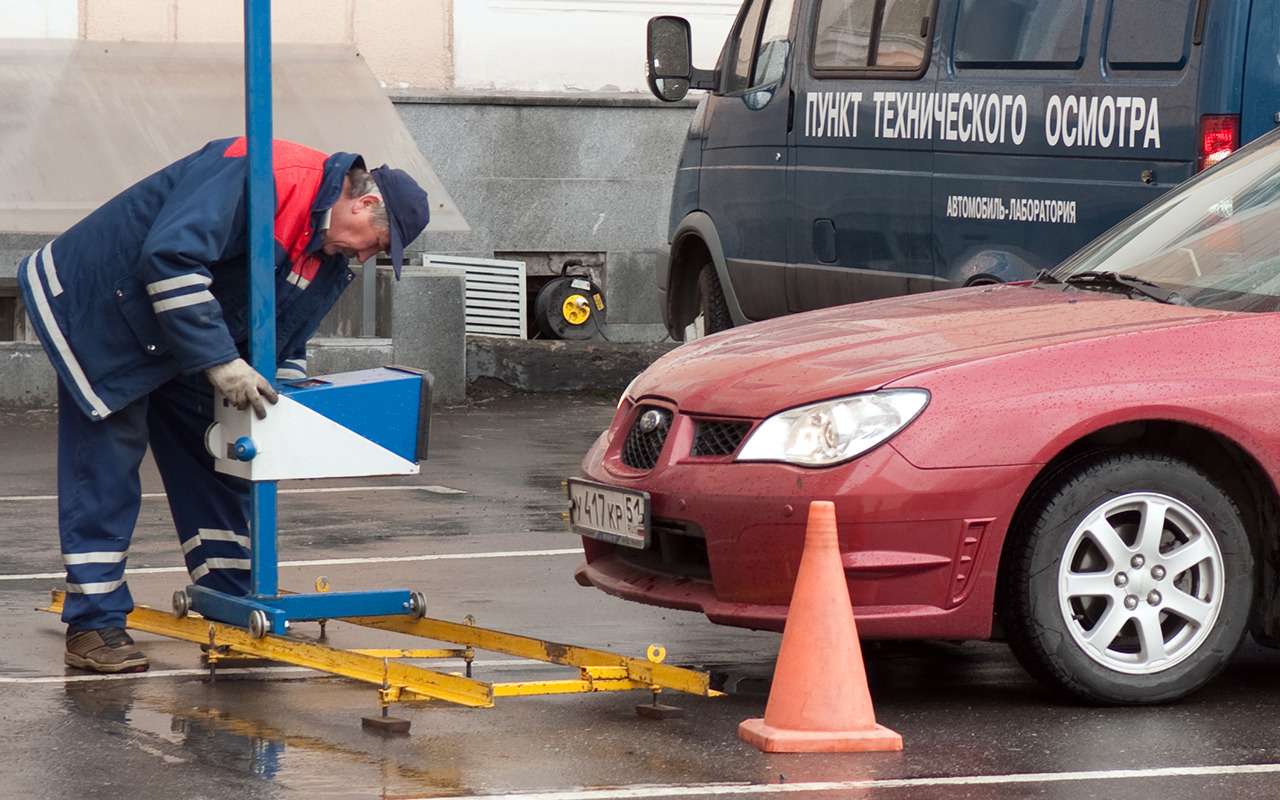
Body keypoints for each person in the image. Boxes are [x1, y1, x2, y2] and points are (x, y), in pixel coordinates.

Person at [17, 137, 431, 673]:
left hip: (176, 334)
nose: (366, 255)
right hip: (100, 309)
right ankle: (94, 623)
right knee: (106, 467)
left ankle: (231, 592)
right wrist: (221, 361)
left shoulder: (330, 242)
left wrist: (285, 399)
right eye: (376, 243)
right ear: (363, 203)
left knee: (220, 453)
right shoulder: (265, 173)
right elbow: (170, 259)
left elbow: (288, 329)